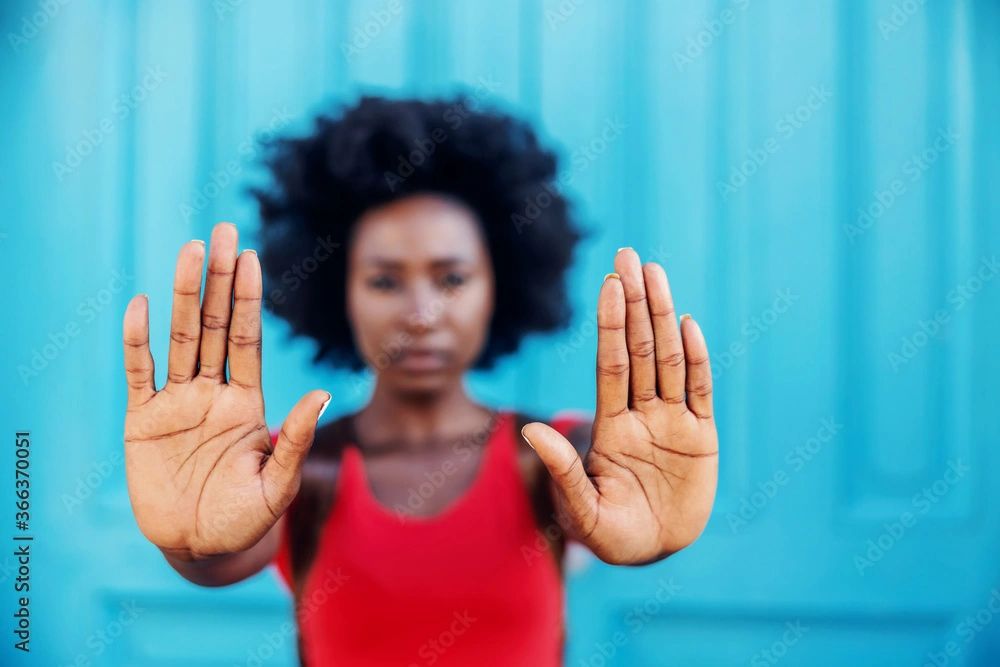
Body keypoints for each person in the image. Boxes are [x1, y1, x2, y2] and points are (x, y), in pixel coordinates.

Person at [121, 97, 719, 666]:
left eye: (452, 278)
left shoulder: (551, 457)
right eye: (385, 281)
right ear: (338, 291)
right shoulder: (297, 470)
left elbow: (617, 499)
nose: (421, 312)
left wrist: (653, 533)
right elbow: (220, 550)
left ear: (500, 285)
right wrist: (189, 544)